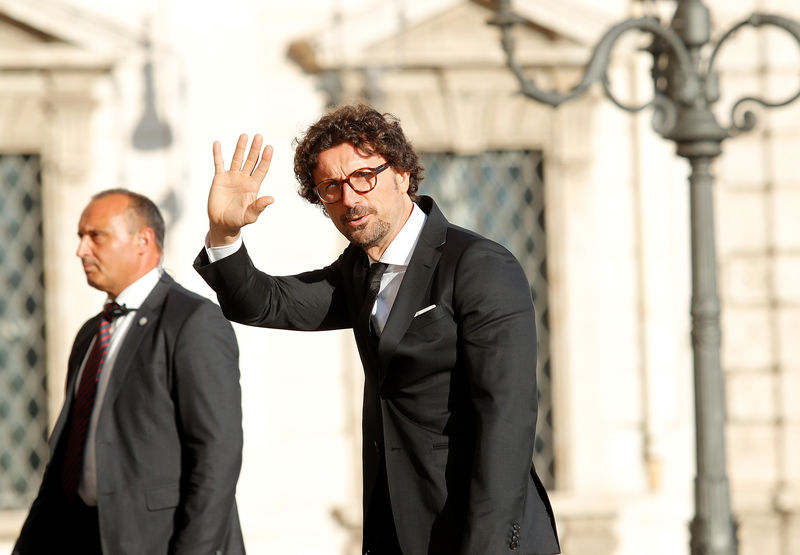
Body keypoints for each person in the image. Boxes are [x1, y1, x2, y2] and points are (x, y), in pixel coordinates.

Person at [194, 104, 560, 555]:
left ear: (403, 174)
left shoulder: (479, 266)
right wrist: (224, 234)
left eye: (364, 176)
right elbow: (266, 303)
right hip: (396, 530)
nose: (350, 199)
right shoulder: (358, 271)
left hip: (476, 532)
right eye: (331, 187)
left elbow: (507, 419)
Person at [15, 189, 245, 555]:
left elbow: (216, 458)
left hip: (161, 542)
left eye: (96, 236)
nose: (82, 250)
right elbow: (63, 461)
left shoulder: (192, 321)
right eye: (80, 237)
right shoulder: (91, 333)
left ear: (143, 240)